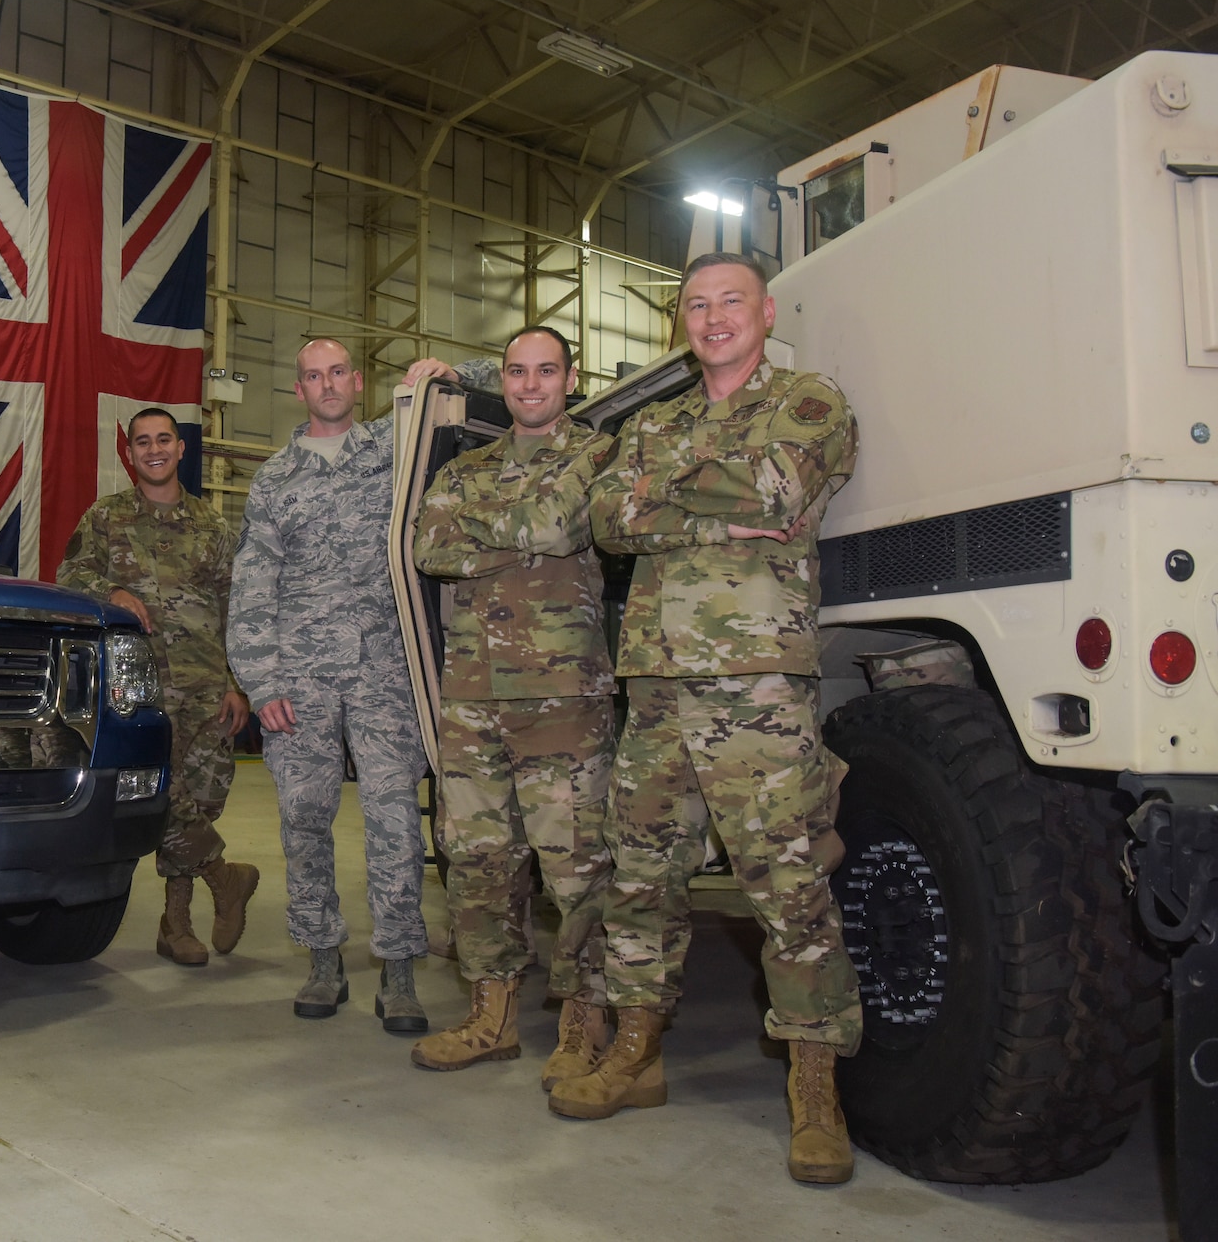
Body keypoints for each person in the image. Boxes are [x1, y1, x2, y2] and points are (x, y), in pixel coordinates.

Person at [549, 252, 863, 1185]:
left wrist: (670, 495)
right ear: (679, 321)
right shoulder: (654, 420)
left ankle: (815, 1088)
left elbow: (777, 489)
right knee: (640, 878)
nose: (713, 316)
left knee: (788, 886)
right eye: (696, 304)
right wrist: (711, 498)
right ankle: (637, 1052)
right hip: (656, 687)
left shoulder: (808, 402)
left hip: (757, 687)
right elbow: (607, 517)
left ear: (766, 311)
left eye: (731, 301)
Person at [228, 338, 496, 1031]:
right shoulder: (275, 478)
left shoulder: (395, 443)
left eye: (338, 371)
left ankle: (400, 970)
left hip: (384, 669)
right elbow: (254, 587)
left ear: (357, 379)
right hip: (300, 676)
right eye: (312, 375)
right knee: (304, 820)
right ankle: (322, 959)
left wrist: (448, 373)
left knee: (394, 820)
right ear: (299, 389)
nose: (327, 384)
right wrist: (260, 682)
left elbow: (510, 378)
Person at [407, 326, 618, 1080]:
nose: (531, 385)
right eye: (518, 372)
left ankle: (583, 1020)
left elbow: (563, 523)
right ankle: (490, 1014)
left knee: (576, 866)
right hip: (473, 697)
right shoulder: (468, 466)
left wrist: (489, 529)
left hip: (562, 698)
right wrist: (525, 533)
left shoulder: (597, 454)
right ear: (503, 379)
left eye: (546, 371)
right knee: (477, 861)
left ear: (570, 377)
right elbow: (428, 546)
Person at [57, 408, 259, 966]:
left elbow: (234, 611)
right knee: (158, 796)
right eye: (142, 442)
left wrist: (236, 684)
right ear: (131, 453)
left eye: (163, 439)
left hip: (204, 685)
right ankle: (225, 877)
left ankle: (175, 924)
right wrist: (112, 590)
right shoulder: (106, 518)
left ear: (180, 448)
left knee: (200, 799)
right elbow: (68, 577)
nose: (153, 449)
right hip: (137, 689)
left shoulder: (212, 528)